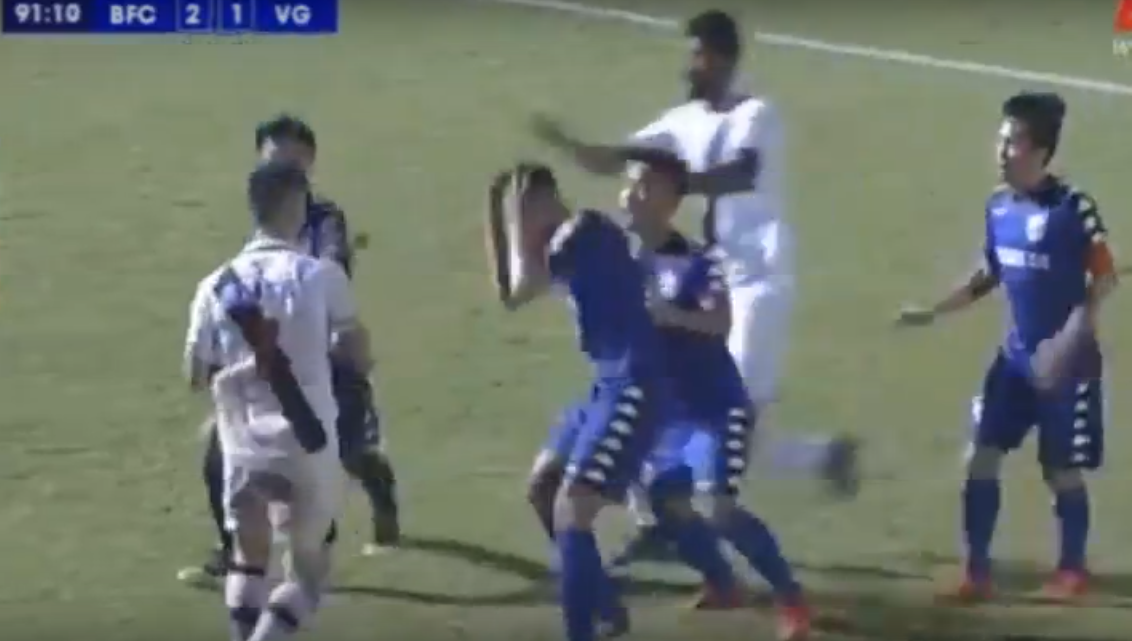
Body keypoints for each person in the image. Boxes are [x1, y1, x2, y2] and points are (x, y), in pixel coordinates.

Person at [530, 8, 858, 561]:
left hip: (758, 282)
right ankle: (811, 462)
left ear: (723, 58)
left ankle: (706, 527)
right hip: (706, 278)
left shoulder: (757, 114)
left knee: (728, 418)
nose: (689, 65)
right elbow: (620, 159)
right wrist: (573, 146)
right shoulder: (682, 120)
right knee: (680, 401)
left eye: (699, 55)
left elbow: (742, 172)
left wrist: (676, 184)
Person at [490, 161, 744, 641]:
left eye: (524, 210)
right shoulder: (580, 242)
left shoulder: (582, 232)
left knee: (581, 508)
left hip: (635, 385)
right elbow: (516, 292)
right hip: (608, 386)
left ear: (543, 202)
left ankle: (592, 622)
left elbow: (520, 285)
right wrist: (502, 215)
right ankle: (609, 604)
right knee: (545, 488)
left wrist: (508, 219)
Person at [895, 92, 1116, 603]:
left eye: (1011, 141)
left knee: (1060, 469)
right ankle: (976, 571)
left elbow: (1104, 278)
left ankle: (1072, 571)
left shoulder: (1073, 208)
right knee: (981, 455)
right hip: (1015, 363)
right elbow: (988, 273)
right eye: (1000, 139)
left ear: (1039, 151)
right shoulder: (999, 206)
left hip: (1069, 367)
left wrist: (1066, 342)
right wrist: (933, 310)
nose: (1000, 150)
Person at [179, 116, 398, 587]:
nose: (282, 167)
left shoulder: (324, 220)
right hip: (272, 367)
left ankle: (376, 486)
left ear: (310, 162)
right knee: (219, 453)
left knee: (346, 451)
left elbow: (329, 274)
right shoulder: (262, 227)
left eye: (291, 159)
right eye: (272, 159)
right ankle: (235, 551)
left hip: (323, 356)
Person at [632, 158, 809, 636]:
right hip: (670, 415)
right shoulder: (627, 262)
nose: (631, 193)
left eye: (645, 185)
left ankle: (792, 600)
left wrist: (668, 315)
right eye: (629, 184)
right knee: (663, 502)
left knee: (720, 510)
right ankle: (722, 583)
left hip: (716, 409)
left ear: (670, 201)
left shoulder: (696, 261)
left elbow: (719, 322)